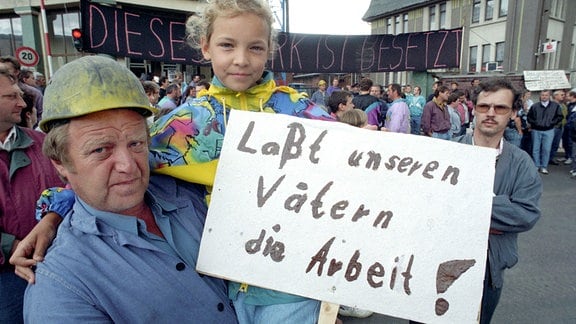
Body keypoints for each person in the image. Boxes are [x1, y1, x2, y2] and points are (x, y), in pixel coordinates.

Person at [20, 56, 238, 323]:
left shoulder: (188, 190)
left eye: (136, 144)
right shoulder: (60, 287)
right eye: (101, 149)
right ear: (60, 163)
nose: (128, 165)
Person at [453, 78, 542, 324]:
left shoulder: (522, 163)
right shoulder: (447, 153)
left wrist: (469, 201)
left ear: (513, 112)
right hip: (437, 260)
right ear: (474, 108)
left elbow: (526, 215)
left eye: (501, 108)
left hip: (487, 272)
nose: (491, 113)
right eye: (484, 106)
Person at [0, 66, 64, 323]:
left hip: (56, 259)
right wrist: (12, 246)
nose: (21, 102)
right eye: (11, 97)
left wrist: (52, 223)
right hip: (7, 277)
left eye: (20, 94)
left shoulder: (42, 142)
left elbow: (71, 189)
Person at [527, 89, 563, 174]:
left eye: (546, 95)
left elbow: (560, 116)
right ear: (540, 96)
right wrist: (535, 123)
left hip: (549, 130)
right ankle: (536, 165)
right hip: (536, 130)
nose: (544, 97)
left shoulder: (555, 106)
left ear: (549, 96)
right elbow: (529, 117)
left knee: (546, 149)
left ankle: (544, 167)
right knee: (535, 149)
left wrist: (551, 123)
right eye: (542, 95)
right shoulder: (535, 106)